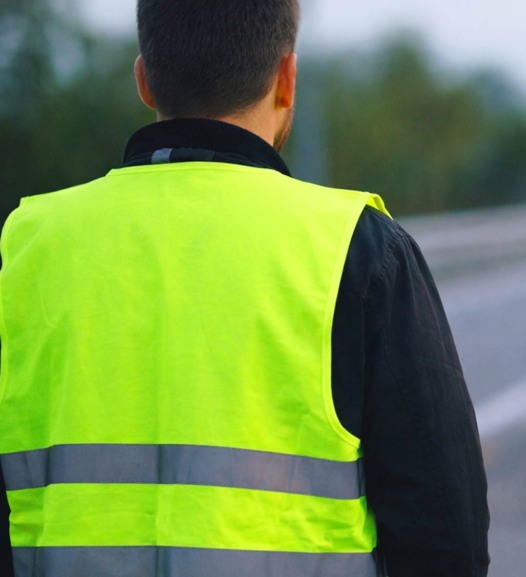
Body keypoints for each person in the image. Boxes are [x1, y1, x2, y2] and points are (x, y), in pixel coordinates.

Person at [0, 1, 489, 576]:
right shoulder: (357, 249)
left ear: (144, 81)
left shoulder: (26, 245)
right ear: (287, 79)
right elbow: (444, 536)